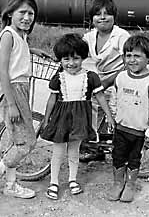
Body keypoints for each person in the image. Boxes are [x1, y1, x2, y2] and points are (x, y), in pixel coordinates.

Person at [0, 0, 50, 199]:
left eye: (31, 13)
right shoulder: (9, 34)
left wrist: (34, 51)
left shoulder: (20, 36)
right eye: (22, 12)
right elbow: (3, 71)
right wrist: (11, 104)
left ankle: (11, 185)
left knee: (17, 140)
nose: (27, 17)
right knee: (27, 143)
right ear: (10, 13)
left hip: (20, 89)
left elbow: (17, 55)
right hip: (12, 90)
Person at [40, 33, 115, 200]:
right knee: (58, 152)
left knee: (74, 151)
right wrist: (46, 119)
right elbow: (52, 99)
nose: (71, 63)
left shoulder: (91, 77)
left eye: (75, 58)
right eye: (66, 59)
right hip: (61, 119)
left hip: (80, 119)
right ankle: (54, 182)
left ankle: (72, 180)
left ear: (83, 58)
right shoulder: (58, 78)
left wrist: (109, 116)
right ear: (60, 60)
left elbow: (100, 96)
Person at [106, 34, 149, 202]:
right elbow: (114, 98)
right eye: (128, 55)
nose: (131, 60)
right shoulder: (121, 77)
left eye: (137, 56)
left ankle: (130, 185)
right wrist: (114, 117)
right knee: (117, 156)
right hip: (121, 128)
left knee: (134, 159)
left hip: (139, 132)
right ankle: (118, 184)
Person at [81, 0, 130, 162]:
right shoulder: (89, 37)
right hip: (101, 81)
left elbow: (129, 64)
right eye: (97, 14)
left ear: (114, 17)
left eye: (107, 13)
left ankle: (96, 144)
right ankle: (97, 149)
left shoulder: (121, 36)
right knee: (89, 104)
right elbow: (76, 52)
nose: (102, 17)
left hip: (120, 80)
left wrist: (109, 81)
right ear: (92, 18)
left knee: (108, 111)